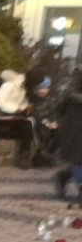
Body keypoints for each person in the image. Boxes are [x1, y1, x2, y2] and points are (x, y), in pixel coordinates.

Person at [53, 70, 82, 200]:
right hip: (75, 134)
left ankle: (63, 177)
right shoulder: (71, 99)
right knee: (78, 159)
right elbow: (58, 111)